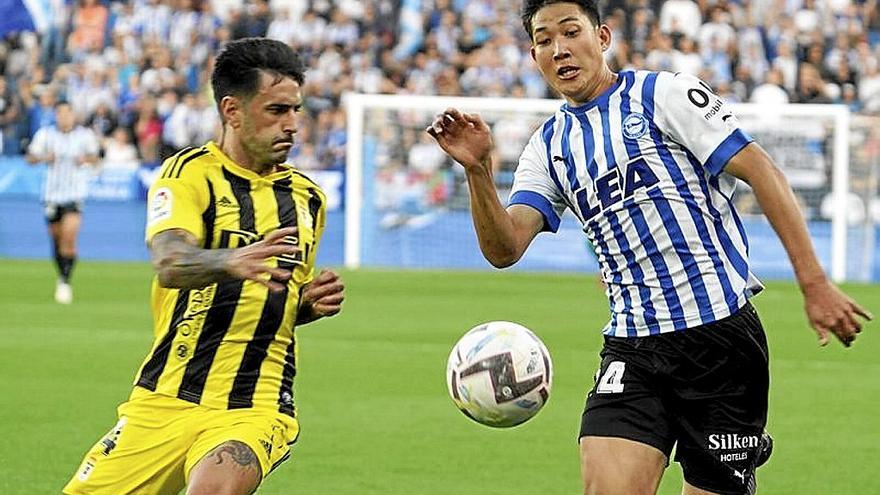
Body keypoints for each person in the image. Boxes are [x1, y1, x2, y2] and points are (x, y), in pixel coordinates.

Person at [427, 2, 873, 495]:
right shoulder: (547, 145)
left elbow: (762, 171)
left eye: (570, 32)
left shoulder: (665, 94)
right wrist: (477, 171)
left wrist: (813, 282)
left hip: (720, 342)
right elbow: (504, 248)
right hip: (632, 347)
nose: (560, 50)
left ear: (601, 37)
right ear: (534, 55)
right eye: (545, 41)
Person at [63, 38, 345, 495]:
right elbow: (170, 261)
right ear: (232, 111)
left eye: (296, 110)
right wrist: (233, 260)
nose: (292, 124)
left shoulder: (307, 199)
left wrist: (304, 304)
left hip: (253, 404)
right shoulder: (187, 174)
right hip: (164, 398)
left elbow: (274, 304)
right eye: (276, 111)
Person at [25, 101, 100, 304]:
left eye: (68, 113)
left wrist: (86, 159)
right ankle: (61, 275)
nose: (64, 117)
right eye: (60, 113)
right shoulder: (46, 135)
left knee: (69, 236)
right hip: (51, 194)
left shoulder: (84, 135)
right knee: (56, 239)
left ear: (73, 115)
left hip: (74, 194)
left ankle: (66, 282)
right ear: (56, 115)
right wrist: (43, 158)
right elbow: (29, 158)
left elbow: (97, 157)